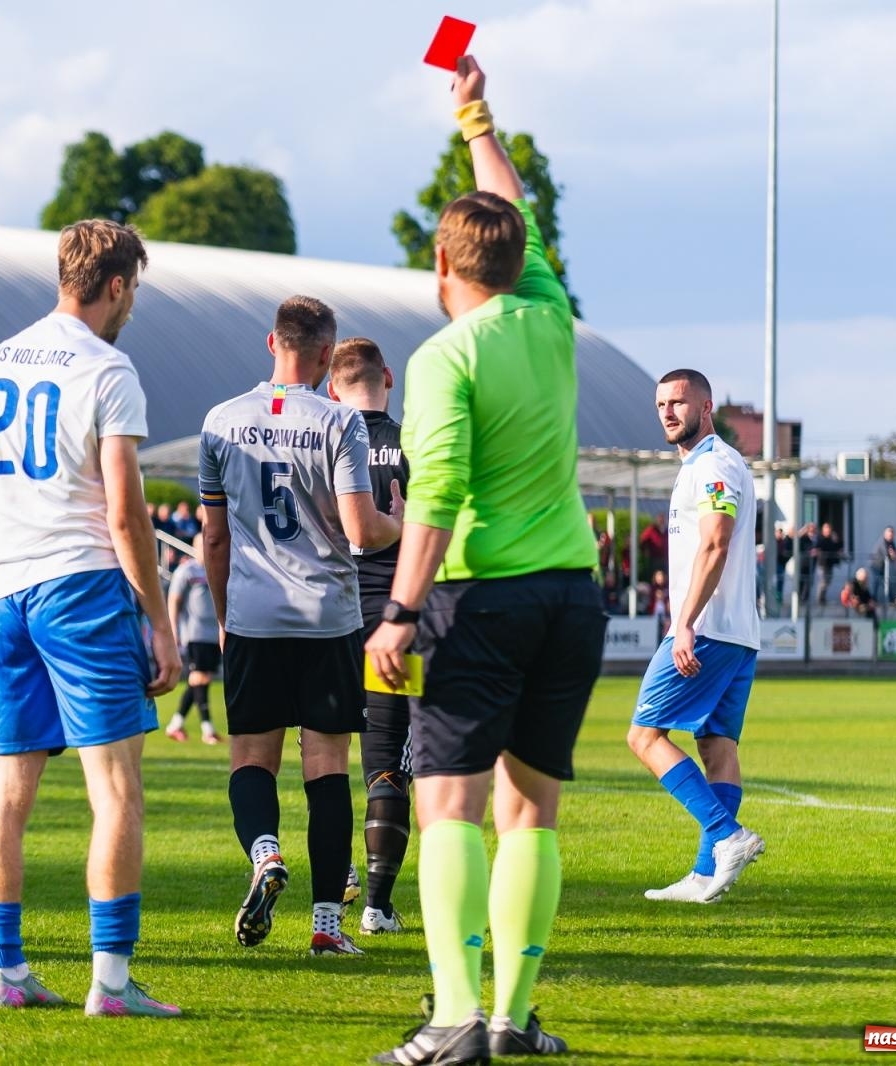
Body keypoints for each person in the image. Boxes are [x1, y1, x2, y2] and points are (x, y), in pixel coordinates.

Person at [365, 56, 606, 1062]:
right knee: (531, 812)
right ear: (516, 258)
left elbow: (437, 491)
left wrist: (400, 610)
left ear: (444, 269)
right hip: (571, 595)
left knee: (449, 803)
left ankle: (454, 1018)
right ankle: (511, 1016)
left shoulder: (441, 356)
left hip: (480, 595)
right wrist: (474, 118)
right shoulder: (550, 318)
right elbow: (515, 209)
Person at [0, 219, 182, 1017]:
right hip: (81, 588)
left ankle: (7, 975)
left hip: (10, 590)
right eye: (135, 291)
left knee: (7, 794)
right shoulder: (108, 367)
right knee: (115, 790)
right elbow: (126, 514)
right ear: (117, 285)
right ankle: (113, 986)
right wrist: (159, 623)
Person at [199, 295, 401, 960]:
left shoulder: (221, 422)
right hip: (328, 616)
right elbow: (363, 531)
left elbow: (216, 537)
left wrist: (226, 617)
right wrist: (412, 523)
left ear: (270, 343)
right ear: (324, 355)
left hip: (255, 616)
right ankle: (326, 927)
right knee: (326, 771)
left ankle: (264, 853)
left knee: (251, 761)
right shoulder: (339, 421)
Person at [625, 368, 765, 909]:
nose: (667, 411)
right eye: (661, 403)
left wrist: (683, 620)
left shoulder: (713, 464)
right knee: (716, 745)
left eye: (678, 402)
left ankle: (727, 836)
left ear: (705, 407)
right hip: (735, 632)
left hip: (706, 629)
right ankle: (707, 874)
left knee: (644, 737)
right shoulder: (707, 465)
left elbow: (716, 543)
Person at [326, 335, 413, 936]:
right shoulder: (418, 445)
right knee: (388, 765)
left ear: (334, 388)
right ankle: (378, 909)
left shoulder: (320, 438)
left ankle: (340, 874)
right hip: (397, 623)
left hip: (327, 621)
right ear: (387, 376)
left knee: (325, 757)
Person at [165, 533, 221, 744]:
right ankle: (208, 729)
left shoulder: (216, 569)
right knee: (199, 678)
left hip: (213, 634)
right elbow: (174, 601)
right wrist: (173, 631)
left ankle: (176, 724)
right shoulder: (187, 571)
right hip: (195, 633)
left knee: (199, 680)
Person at [813, 522, 842, 607]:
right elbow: (817, 549)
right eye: (826, 529)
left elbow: (837, 548)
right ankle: (819, 600)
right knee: (823, 582)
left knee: (828, 581)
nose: (828, 531)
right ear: (823, 530)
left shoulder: (831, 539)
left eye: (829, 529)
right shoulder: (820, 538)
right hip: (822, 564)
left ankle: (823, 599)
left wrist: (836, 541)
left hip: (830, 564)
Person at [873, 526, 896, 604]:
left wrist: (893, 556)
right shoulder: (882, 542)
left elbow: (895, 554)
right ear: (885, 534)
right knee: (878, 582)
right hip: (876, 565)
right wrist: (892, 555)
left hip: (883, 567)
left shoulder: (891, 543)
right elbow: (886, 553)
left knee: (885, 582)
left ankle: (891, 600)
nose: (890, 535)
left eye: (892, 533)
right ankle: (875, 599)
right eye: (889, 533)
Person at [640, 514, 669, 579]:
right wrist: (644, 550)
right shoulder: (651, 529)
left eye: (663, 519)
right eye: (660, 519)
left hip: (665, 558)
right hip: (654, 558)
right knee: (654, 576)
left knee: (665, 576)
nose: (661, 521)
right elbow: (643, 539)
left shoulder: (666, 530)